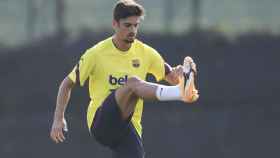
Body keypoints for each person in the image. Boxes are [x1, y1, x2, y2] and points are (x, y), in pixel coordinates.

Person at [50, 0, 199, 157]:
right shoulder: (96, 54)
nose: (132, 30)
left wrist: (181, 74)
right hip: (101, 123)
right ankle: (180, 94)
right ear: (115, 24)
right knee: (132, 84)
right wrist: (58, 119)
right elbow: (67, 84)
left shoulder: (146, 52)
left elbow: (172, 79)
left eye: (136, 25)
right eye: (127, 25)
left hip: (129, 126)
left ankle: (181, 92)